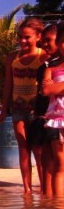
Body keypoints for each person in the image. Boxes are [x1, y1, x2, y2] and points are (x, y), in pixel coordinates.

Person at [0, 18, 48, 194]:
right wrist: (4, 110)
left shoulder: (44, 56)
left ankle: (43, 189)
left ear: (38, 36)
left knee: (39, 150)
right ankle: (27, 190)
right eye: (20, 37)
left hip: (38, 110)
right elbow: (8, 85)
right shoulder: (12, 58)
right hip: (18, 109)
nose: (22, 41)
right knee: (23, 146)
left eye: (27, 37)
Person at [27, 24, 60, 196]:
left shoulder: (55, 66)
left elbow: (49, 90)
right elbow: (43, 91)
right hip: (43, 118)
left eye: (49, 40)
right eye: (44, 41)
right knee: (45, 162)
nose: (45, 44)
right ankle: (48, 203)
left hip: (57, 119)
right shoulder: (46, 66)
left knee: (57, 163)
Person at [41, 21, 64, 196]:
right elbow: (47, 89)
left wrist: (58, 86)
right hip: (58, 121)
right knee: (60, 164)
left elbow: (52, 88)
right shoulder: (52, 67)